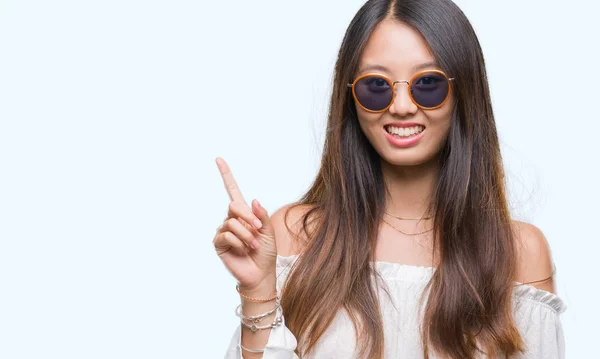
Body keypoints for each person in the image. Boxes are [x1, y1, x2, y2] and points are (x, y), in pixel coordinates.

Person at [213, 0, 566, 358]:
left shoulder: (517, 253)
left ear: (464, 92)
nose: (400, 106)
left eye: (428, 84)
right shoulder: (296, 237)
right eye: (376, 86)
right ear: (350, 96)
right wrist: (258, 290)